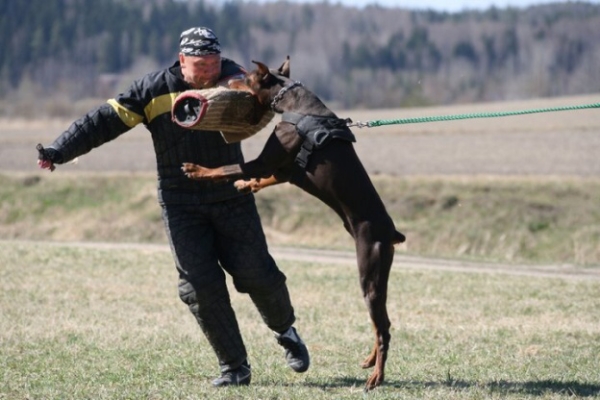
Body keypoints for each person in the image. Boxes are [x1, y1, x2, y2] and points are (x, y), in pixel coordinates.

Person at [37, 26, 309, 387]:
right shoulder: (151, 91)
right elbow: (101, 122)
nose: (209, 70)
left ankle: (286, 331)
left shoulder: (235, 79)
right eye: (201, 64)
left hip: (231, 194)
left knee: (256, 273)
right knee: (199, 286)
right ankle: (234, 367)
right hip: (180, 203)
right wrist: (58, 150)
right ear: (182, 60)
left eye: (214, 62)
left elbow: (272, 95)